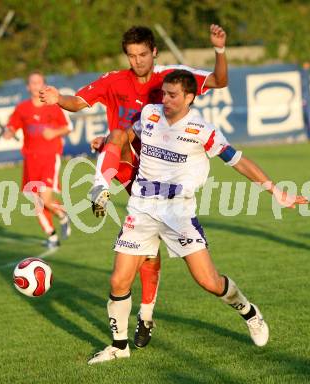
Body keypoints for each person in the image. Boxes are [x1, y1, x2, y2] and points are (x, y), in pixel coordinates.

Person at [87, 70, 308, 364]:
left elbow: (238, 161)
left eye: (172, 95)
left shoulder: (202, 130)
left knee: (209, 281)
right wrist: (109, 145)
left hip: (178, 212)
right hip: (141, 207)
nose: (164, 99)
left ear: (190, 97)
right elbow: (126, 135)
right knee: (119, 281)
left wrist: (276, 192)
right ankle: (119, 346)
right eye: (163, 93)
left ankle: (249, 312)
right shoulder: (150, 113)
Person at [39, 24, 227, 347]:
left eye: (142, 54)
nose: (137, 61)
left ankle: (147, 315)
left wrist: (220, 50)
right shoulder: (114, 80)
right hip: (128, 169)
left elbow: (219, 80)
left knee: (150, 254)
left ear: (154, 52)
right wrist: (58, 99)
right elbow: (79, 101)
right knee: (116, 142)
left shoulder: (171, 80)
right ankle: (101, 186)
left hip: (164, 176)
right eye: (131, 55)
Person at [4, 71, 71, 248]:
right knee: (36, 201)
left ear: (44, 85)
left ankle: (63, 214)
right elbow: (11, 127)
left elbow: (67, 128)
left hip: (49, 157)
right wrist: (8, 132)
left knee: (45, 198)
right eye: (32, 83)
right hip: (30, 159)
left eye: (39, 83)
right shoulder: (22, 108)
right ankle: (52, 236)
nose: (36, 86)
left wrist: (54, 132)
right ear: (28, 87)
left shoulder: (53, 105)